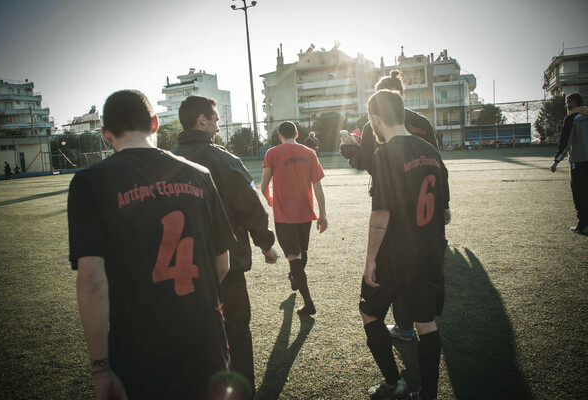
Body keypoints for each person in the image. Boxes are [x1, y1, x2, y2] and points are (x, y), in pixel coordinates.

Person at [68, 90, 236, 399]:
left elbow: (92, 282)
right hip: (204, 342)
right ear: (155, 123)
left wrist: (100, 368)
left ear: (106, 135)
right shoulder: (200, 175)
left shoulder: (88, 182)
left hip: (138, 351)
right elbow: (222, 264)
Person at [173, 95, 278, 398]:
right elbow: (251, 208)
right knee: (236, 332)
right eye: (216, 118)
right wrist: (265, 243)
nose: (219, 123)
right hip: (226, 264)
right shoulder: (222, 158)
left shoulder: (166, 160)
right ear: (202, 120)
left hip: (182, 268)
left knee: (193, 335)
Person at [360, 90, 450, 400]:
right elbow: (446, 211)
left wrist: (370, 259)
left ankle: (393, 382)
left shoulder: (385, 153)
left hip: (395, 255)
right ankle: (428, 394)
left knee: (370, 312)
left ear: (375, 118)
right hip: (429, 251)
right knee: (426, 324)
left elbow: (382, 212)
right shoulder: (430, 150)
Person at [341, 70, 438, 341]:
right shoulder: (422, 125)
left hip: (392, 202)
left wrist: (351, 153)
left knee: (395, 264)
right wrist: (445, 204)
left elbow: (372, 163)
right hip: (425, 207)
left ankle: (405, 325)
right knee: (417, 267)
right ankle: (416, 323)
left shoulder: (377, 127)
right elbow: (437, 164)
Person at [261, 121, 328, 316]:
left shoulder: (272, 153)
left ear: (279, 135)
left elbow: (264, 185)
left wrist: (269, 199)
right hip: (305, 214)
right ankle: (294, 277)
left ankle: (309, 303)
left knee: (294, 256)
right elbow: (318, 187)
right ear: (297, 134)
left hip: (284, 215)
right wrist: (322, 214)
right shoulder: (310, 153)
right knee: (301, 253)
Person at [550, 92, 588, 233]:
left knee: (579, 193)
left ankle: (583, 224)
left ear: (572, 103)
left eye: (567, 102)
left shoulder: (572, 118)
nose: (566, 105)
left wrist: (556, 161)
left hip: (578, 161)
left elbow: (566, 141)